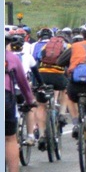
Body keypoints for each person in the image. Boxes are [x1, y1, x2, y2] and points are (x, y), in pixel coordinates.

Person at [56, 23, 86, 166]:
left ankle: (76, 123)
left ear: (82, 35)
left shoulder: (75, 46)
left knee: (69, 96)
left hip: (76, 85)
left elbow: (60, 61)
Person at [6, 35, 37, 172]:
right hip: (6, 97)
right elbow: (23, 83)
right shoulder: (11, 58)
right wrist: (30, 101)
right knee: (10, 139)